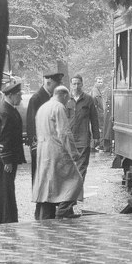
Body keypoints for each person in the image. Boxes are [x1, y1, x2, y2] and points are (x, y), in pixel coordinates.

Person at [32, 85, 84, 219]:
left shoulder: (43, 108)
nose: (68, 102)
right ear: (65, 96)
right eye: (68, 99)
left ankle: (45, 217)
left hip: (43, 150)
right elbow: (64, 133)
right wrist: (74, 153)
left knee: (47, 185)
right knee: (75, 180)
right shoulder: (59, 107)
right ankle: (64, 211)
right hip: (56, 150)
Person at [24, 71, 63, 218]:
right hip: (40, 147)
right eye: (56, 84)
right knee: (40, 178)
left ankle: (48, 207)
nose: (58, 87)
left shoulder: (50, 97)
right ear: (48, 83)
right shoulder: (37, 98)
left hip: (50, 146)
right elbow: (31, 125)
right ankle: (39, 209)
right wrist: (36, 147)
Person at [0, 79, 25, 225]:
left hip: (6, 157)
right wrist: (6, 160)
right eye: (18, 95)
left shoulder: (8, 110)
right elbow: (2, 139)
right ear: (10, 95)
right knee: (6, 190)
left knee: (0, 188)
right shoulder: (5, 112)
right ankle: (8, 220)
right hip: (5, 158)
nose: (21, 97)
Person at [66, 74, 100, 188]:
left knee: (82, 166)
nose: (76, 86)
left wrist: (96, 137)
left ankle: (77, 190)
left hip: (83, 138)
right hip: (69, 139)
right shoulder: (66, 100)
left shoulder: (88, 99)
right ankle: (70, 190)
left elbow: (94, 119)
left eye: (78, 83)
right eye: (74, 84)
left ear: (82, 84)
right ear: (71, 85)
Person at [88, 75, 112, 152]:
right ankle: (99, 145)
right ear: (95, 82)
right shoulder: (95, 91)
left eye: (101, 82)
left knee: (97, 128)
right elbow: (96, 102)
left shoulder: (96, 90)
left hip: (98, 112)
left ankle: (94, 145)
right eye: (98, 82)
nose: (100, 83)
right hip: (98, 113)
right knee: (100, 128)